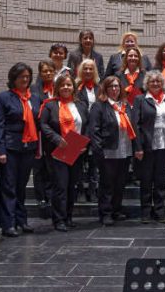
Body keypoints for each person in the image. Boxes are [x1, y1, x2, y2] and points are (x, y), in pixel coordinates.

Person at [0, 63, 42, 237]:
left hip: (28, 147)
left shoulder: (34, 98)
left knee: (21, 186)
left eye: (28, 76)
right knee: (8, 186)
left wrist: (38, 147)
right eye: (22, 76)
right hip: (10, 147)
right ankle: (8, 223)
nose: (25, 79)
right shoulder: (3, 97)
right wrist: (0, 150)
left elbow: (38, 124)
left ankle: (22, 220)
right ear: (13, 78)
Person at [88, 76, 143, 225]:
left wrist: (137, 147)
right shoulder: (99, 106)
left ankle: (116, 210)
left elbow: (133, 128)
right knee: (107, 184)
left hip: (124, 151)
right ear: (105, 89)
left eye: (117, 86)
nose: (114, 89)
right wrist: (99, 151)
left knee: (120, 183)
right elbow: (94, 130)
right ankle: (105, 213)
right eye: (111, 86)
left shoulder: (125, 105)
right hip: (107, 152)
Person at [40, 74, 89, 231]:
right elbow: (44, 125)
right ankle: (58, 219)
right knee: (60, 186)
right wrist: (56, 139)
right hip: (58, 150)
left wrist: (85, 143)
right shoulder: (50, 106)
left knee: (71, 186)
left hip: (76, 150)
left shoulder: (80, 105)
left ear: (73, 87)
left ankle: (68, 217)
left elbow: (87, 125)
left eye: (69, 85)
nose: (66, 87)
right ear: (57, 88)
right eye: (63, 85)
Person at [135, 71, 165, 224]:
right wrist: (138, 147)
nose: (156, 84)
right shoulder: (141, 100)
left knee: (160, 180)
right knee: (146, 180)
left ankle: (159, 211)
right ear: (147, 84)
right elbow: (135, 124)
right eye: (152, 82)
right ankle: (145, 211)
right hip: (147, 146)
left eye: (158, 81)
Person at [30, 58, 56, 218]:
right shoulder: (34, 89)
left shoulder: (58, 88)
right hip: (39, 132)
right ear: (40, 73)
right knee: (39, 167)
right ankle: (41, 198)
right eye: (44, 71)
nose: (47, 73)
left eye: (50, 71)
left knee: (52, 167)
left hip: (54, 133)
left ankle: (50, 195)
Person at [76, 59, 100, 202]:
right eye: (85, 68)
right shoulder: (76, 86)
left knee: (94, 161)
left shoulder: (99, 87)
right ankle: (80, 190)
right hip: (80, 129)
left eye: (91, 69)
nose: (88, 71)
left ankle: (92, 190)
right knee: (79, 161)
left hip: (95, 129)